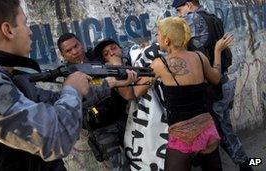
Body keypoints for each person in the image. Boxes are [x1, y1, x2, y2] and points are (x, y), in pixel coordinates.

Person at [0, 0, 92, 170]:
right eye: (25, 23)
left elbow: (49, 100)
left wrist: (108, 83)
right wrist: (72, 90)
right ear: (8, 30)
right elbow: (56, 137)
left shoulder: (1, 75)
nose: (30, 32)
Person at [132, 16, 233, 171]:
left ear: (167, 40)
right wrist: (217, 51)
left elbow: (136, 91)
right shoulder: (200, 57)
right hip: (207, 130)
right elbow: (216, 78)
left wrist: (121, 79)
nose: (156, 38)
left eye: (158, 34)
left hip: (182, 136)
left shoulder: (160, 64)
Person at [172, 1, 253, 170]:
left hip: (212, 86)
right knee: (220, 129)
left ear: (188, 5)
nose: (180, 15)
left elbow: (178, 45)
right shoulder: (212, 18)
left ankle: (247, 164)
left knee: (221, 132)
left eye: (180, 10)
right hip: (221, 80)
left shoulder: (191, 19)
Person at [57, 33, 137, 170]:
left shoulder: (98, 57)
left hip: (123, 117)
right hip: (101, 129)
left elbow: (118, 56)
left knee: (141, 160)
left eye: (76, 46)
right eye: (68, 51)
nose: (75, 52)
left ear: (81, 44)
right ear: (63, 55)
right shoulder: (67, 76)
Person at [95, 39, 169, 170]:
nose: (111, 53)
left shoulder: (136, 60)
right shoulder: (108, 73)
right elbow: (129, 94)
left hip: (142, 119)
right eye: (106, 53)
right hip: (116, 126)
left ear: (121, 49)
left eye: (113, 48)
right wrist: (116, 65)